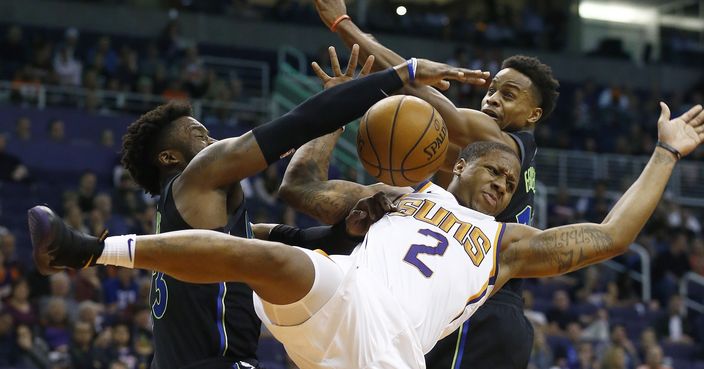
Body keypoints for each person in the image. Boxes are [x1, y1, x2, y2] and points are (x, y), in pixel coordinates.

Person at [29, 103, 704, 368]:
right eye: (493, 167)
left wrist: (665, 154)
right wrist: (345, 103)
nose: (502, 182)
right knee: (268, 256)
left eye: (511, 179)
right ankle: (89, 249)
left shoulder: (509, 247)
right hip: (342, 296)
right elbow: (299, 187)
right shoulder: (402, 195)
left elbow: (613, 235)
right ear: (458, 162)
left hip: (390, 352)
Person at [29, 46, 481, 369]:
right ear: (170, 158)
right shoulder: (198, 176)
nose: (213, 142)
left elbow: (291, 243)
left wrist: (348, 231)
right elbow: (296, 124)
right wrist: (400, 74)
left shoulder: (195, 220)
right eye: (199, 135)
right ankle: (90, 248)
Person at [310, 1, 559, 367]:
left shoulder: (508, 146)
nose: (492, 98)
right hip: (464, 309)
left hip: (480, 312)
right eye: (492, 90)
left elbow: (417, 92)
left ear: (533, 115)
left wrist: (345, 26)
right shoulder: (471, 162)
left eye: (508, 95)